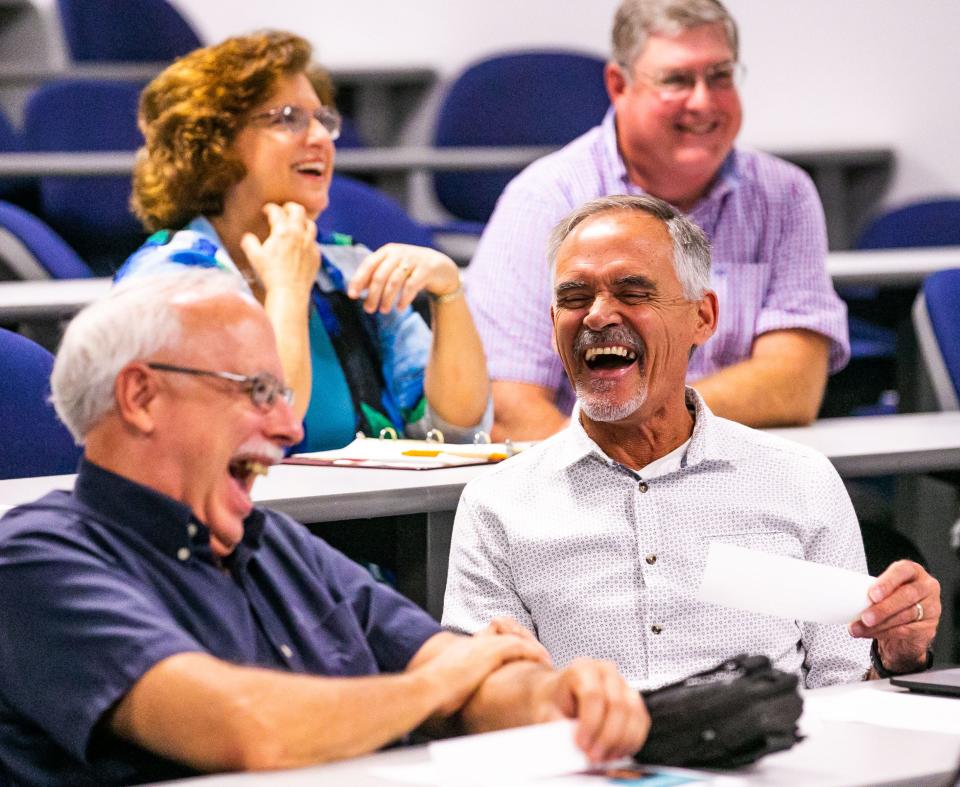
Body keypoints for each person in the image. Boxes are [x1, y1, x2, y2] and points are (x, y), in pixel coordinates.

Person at [0, 268, 649, 784]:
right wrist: (436, 685)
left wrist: (556, 695)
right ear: (142, 397)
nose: (289, 426)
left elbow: (465, 669)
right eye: (256, 391)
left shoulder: (274, 542)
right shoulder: (36, 561)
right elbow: (248, 728)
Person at [443, 195, 940, 690]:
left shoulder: (799, 479)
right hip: (591, 761)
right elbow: (483, 697)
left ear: (702, 317)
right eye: (574, 298)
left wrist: (899, 658)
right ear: (554, 327)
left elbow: (845, 684)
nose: (597, 316)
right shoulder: (498, 504)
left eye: (632, 292)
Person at [468, 0, 847, 440]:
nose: (703, 102)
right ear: (618, 85)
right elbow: (511, 408)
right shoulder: (545, 199)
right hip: (580, 488)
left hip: (736, 475)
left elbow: (792, 386)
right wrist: (615, 474)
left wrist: (656, 429)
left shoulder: (784, 194)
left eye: (720, 76)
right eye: (677, 80)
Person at [117, 31, 490, 451]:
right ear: (215, 143)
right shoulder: (169, 279)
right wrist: (288, 290)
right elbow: (261, 432)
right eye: (288, 118)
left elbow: (459, 432)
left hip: (375, 514)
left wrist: (447, 293)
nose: (319, 138)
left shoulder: (346, 266)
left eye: (323, 120)